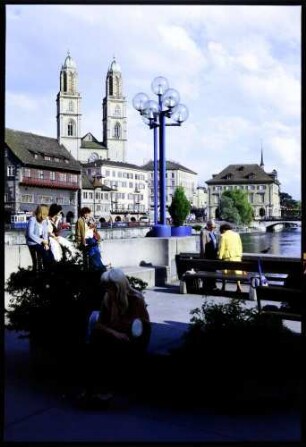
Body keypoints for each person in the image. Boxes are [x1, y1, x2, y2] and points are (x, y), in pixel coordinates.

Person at [79, 268, 151, 407]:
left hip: (135, 337)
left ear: (118, 287)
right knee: (95, 342)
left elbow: (132, 327)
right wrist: (113, 332)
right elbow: (100, 324)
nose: (108, 291)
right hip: (116, 334)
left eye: (110, 288)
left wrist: (112, 330)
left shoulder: (135, 299)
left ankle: (104, 391)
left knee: (108, 347)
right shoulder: (108, 298)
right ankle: (92, 390)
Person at [75, 207, 106, 272]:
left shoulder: (89, 220)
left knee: (97, 252)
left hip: (92, 239)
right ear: (82, 213)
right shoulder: (80, 221)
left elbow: (94, 229)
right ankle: (98, 267)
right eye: (85, 213)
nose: (87, 215)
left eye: (88, 213)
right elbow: (78, 232)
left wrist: (93, 226)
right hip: (86, 240)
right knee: (93, 252)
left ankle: (98, 266)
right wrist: (78, 243)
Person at [25, 204, 53, 270]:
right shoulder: (33, 219)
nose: (45, 216)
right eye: (44, 214)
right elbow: (30, 234)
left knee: (50, 254)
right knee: (40, 258)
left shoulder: (45, 220)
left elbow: (45, 233)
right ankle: (38, 272)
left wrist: (46, 244)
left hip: (41, 241)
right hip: (33, 242)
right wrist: (42, 241)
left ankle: (48, 269)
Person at [218, 223, 243, 293]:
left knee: (224, 273)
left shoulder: (223, 236)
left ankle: (223, 286)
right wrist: (240, 255)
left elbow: (221, 248)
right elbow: (240, 246)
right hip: (237, 257)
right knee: (237, 273)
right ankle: (238, 286)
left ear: (223, 230)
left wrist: (219, 257)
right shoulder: (237, 235)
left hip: (227, 258)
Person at [200, 219, 218, 291]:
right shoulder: (204, 232)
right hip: (207, 256)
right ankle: (207, 286)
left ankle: (213, 285)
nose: (213, 228)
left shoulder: (213, 232)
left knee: (213, 271)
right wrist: (203, 256)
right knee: (207, 271)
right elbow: (202, 245)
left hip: (213, 256)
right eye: (212, 227)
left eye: (214, 227)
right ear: (208, 225)